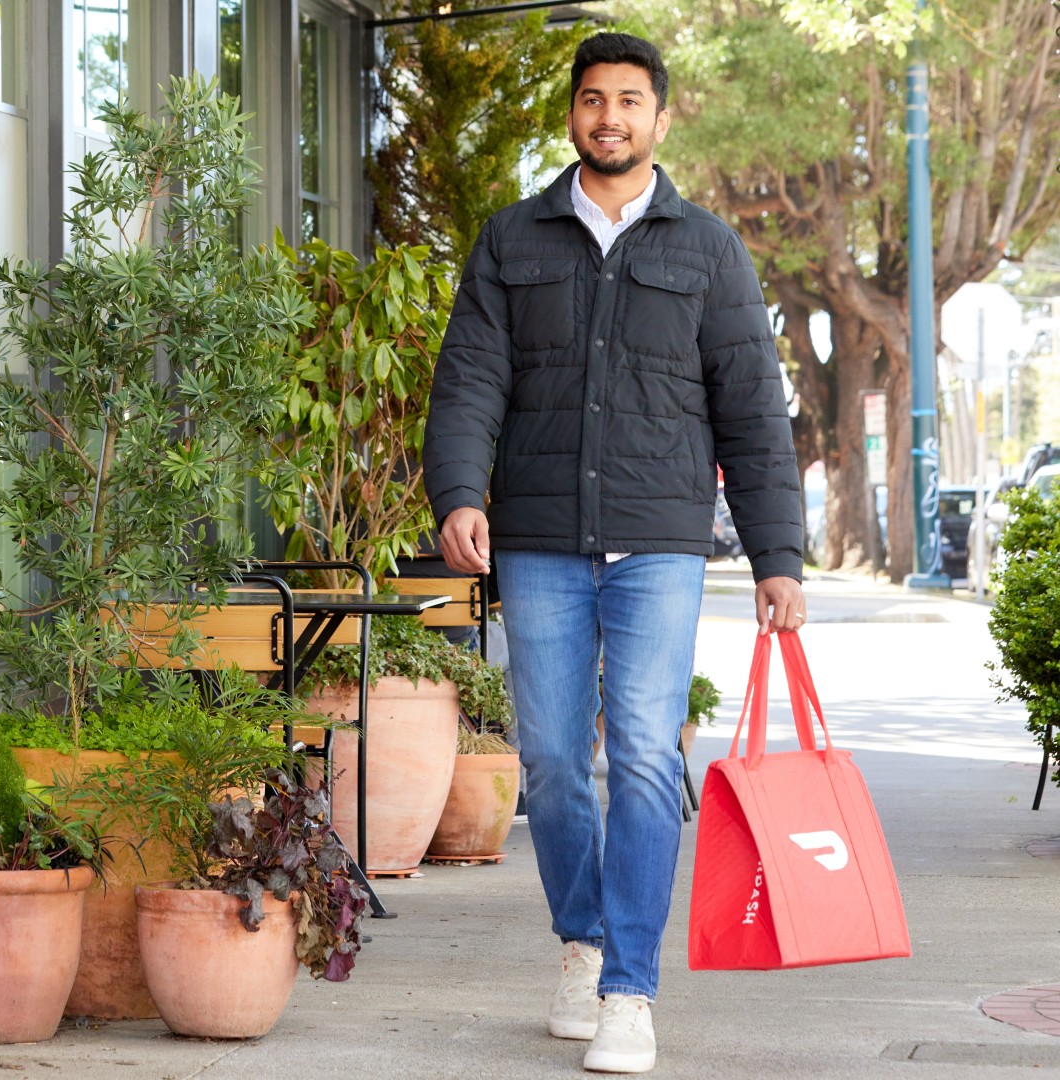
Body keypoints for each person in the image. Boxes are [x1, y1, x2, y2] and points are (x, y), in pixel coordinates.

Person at [422, 31, 806, 1076]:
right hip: (539, 537)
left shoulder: (707, 251)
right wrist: (459, 493)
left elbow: (752, 414)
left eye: (629, 101)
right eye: (593, 99)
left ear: (659, 119)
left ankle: (628, 988)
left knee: (640, 755)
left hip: (659, 543)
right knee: (549, 763)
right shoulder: (511, 240)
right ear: (572, 118)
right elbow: (466, 383)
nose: (610, 117)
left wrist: (777, 555)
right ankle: (580, 943)